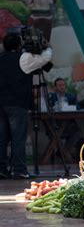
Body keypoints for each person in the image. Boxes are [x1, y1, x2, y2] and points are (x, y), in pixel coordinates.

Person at [0, 33, 52, 179]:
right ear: (19, 46)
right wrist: (48, 48)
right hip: (17, 104)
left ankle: (2, 169)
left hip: (0, 104)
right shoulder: (24, 58)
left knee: (1, 138)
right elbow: (45, 59)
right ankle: (19, 170)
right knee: (18, 138)